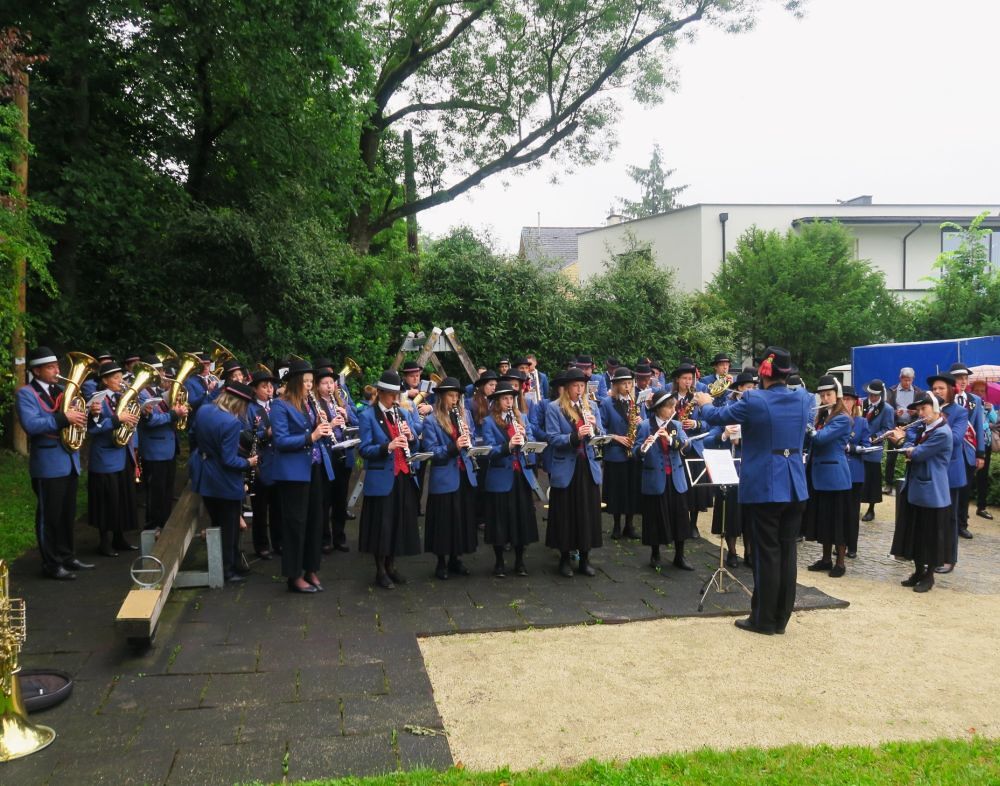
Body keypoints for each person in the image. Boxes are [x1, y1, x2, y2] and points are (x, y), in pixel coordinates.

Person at [695, 346, 812, 636]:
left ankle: (763, 619)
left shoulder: (753, 399)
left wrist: (705, 402)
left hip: (766, 485)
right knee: (787, 554)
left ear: (764, 372)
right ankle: (781, 618)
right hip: (795, 485)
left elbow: (717, 416)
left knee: (766, 554)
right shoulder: (803, 399)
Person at [15, 346, 94, 580]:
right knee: (49, 517)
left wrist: (89, 413)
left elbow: (75, 420)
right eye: (50, 367)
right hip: (48, 465)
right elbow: (32, 425)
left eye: (57, 366)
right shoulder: (26, 394)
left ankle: (67, 556)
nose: (57, 371)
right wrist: (63, 418)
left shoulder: (61, 390)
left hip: (69, 461)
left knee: (67, 514)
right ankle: (51, 564)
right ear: (36, 371)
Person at [269, 360, 334, 594]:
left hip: (313, 467)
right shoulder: (280, 405)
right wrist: (311, 436)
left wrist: (322, 426)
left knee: (316, 520)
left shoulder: (309, 403)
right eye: (305, 381)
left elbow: (313, 431)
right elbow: (281, 441)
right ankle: (294, 575)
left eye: (311, 381)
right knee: (296, 524)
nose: (309, 385)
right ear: (296, 382)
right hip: (293, 473)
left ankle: (311, 569)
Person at [358, 370, 423, 589]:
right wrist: (388, 446)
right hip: (382, 477)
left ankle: (391, 566)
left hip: (403, 475)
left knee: (397, 522)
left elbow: (414, 444)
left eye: (397, 394)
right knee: (382, 525)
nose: (395, 399)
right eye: (391, 395)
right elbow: (364, 449)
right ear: (381, 393)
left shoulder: (402, 413)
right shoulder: (367, 415)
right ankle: (380, 571)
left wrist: (410, 437)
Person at [189, 381, 259, 584]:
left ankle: (230, 563)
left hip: (204, 473)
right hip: (224, 481)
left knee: (217, 523)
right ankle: (228, 570)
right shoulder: (231, 423)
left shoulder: (204, 410)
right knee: (230, 528)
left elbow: (193, 435)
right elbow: (229, 460)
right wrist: (248, 462)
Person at [888, 392, 954, 592]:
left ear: (936, 409)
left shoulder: (942, 433)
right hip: (916, 488)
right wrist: (905, 442)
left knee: (931, 536)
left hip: (932, 492)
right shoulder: (923, 428)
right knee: (916, 533)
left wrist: (901, 442)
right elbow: (912, 447)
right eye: (918, 410)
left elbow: (918, 453)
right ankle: (918, 571)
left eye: (924, 408)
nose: (920, 413)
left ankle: (929, 576)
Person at [544, 367, 604, 577]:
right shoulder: (554, 408)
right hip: (567, 466)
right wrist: (575, 436)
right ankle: (564, 558)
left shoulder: (592, 407)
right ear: (567, 388)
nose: (579, 390)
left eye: (582, 386)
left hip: (587, 466)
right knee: (565, 513)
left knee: (587, 512)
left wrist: (596, 428)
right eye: (575, 386)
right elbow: (552, 438)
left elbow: (602, 435)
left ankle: (585, 558)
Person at [420, 377, 478, 580]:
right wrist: (454, 447)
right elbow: (431, 451)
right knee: (444, 520)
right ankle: (441, 562)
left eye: (457, 396)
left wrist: (469, 441)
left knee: (461, 518)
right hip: (444, 476)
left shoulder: (465, 415)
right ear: (442, 397)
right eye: (451, 396)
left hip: (464, 473)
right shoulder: (431, 420)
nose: (455, 400)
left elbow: (473, 437)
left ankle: (456, 558)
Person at [635, 390, 699, 570]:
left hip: (676, 478)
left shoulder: (676, 425)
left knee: (680, 517)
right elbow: (635, 452)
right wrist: (643, 448)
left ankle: (680, 555)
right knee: (655, 517)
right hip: (655, 478)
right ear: (658, 408)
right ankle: (655, 554)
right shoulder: (645, 426)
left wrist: (671, 440)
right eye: (669, 407)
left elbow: (687, 445)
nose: (673, 410)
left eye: (673, 406)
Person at [480, 383, 540, 576]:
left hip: (520, 475)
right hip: (500, 477)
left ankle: (520, 561)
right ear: (497, 401)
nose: (509, 402)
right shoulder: (488, 422)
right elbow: (488, 451)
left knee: (521, 518)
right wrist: (508, 446)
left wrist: (525, 440)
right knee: (500, 520)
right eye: (505, 398)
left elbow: (532, 440)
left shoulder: (521, 418)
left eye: (511, 398)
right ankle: (499, 562)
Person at [87, 361, 140, 557]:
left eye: (121, 377)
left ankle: (119, 538)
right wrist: (119, 419)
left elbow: (130, 421)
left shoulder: (120, 397)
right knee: (107, 501)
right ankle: (104, 542)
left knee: (122, 499)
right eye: (116, 378)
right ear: (105, 380)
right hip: (105, 458)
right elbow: (94, 428)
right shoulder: (97, 400)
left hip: (122, 454)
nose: (121, 381)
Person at [803, 376, 853, 578]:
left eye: (828, 395)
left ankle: (840, 562)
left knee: (838, 521)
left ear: (837, 395)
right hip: (819, 474)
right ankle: (825, 559)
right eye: (822, 396)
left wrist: (807, 424)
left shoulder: (842, 418)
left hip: (835, 477)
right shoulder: (823, 416)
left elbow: (821, 439)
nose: (824, 399)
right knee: (824, 519)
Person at [706, 371, 756, 568]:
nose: (751, 391)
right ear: (739, 389)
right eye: (748, 387)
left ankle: (750, 552)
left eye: (753, 387)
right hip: (729, 468)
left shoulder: (757, 410)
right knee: (730, 515)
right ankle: (732, 552)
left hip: (749, 469)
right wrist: (725, 435)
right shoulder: (727, 409)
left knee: (750, 515)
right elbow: (709, 439)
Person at [137, 354, 187, 533]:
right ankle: (152, 527)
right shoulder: (141, 393)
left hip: (169, 448)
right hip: (154, 450)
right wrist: (174, 415)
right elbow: (149, 421)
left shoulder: (161, 391)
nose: (162, 374)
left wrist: (181, 410)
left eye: (162, 370)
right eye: (158, 370)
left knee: (167, 491)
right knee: (155, 492)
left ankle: (165, 525)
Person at [924, 373, 969, 575]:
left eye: (941, 388)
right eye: (934, 389)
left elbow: (957, 438)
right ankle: (931, 555)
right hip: (931, 470)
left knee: (949, 518)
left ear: (951, 390)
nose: (937, 392)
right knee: (932, 517)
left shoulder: (959, 412)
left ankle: (949, 558)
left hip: (950, 472)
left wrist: (937, 423)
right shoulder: (928, 410)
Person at [313, 367, 353, 554]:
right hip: (326, 455)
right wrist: (331, 424)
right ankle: (324, 538)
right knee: (325, 499)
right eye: (325, 383)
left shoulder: (341, 401)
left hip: (343, 453)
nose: (329, 386)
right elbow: (314, 430)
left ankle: (340, 537)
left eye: (331, 383)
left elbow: (357, 422)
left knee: (340, 499)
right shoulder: (314, 405)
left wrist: (346, 416)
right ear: (317, 386)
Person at [599, 367, 642, 540]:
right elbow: (600, 428)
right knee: (617, 491)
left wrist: (641, 421)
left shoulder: (636, 402)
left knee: (632, 489)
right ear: (615, 385)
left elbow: (646, 426)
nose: (627, 386)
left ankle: (629, 525)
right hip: (616, 453)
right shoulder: (607, 403)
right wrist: (615, 437)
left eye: (630, 383)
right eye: (624, 383)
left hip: (633, 452)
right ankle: (616, 525)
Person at [947, 362, 986, 540]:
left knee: (964, 491)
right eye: (958, 378)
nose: (963, 381)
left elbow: (978, 427)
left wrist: (980, 454)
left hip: (968, 452)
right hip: (949, 452)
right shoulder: (946, 400)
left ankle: (962, 524)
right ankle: (947, 522)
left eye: (965, 378)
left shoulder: (975, 400)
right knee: (949, 489)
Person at [246, 368, 280, 558]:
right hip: (260, 462)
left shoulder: (277, 405)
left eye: (271, 386)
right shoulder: (250, 408)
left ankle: (278, 542)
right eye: (264, 386)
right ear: (255, 389)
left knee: (278, 506)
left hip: (278, 460)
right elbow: (247, 436)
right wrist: (265, 434)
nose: (269, 389)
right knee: (260, 507)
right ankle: (261, 545)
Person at [860, 380, 895, 521]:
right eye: (870, 394)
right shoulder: (862, 403)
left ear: (880, 394)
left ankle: (871, 509)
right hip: (859, 446)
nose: (872, 397)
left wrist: (873, 437)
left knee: (872, 480)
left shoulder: (887, 409)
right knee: (857, 478)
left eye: (875, 395)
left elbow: (887, 429)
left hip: (873, 448)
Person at [841, 386, 868, 559]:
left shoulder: (861, 422)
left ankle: (852, 546)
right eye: (843, 399)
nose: (845, 402)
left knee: (852, 512)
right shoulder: (833, 419)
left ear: (854, 402)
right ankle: (839, 544)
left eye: (849, 399)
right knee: (839, 511)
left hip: (854, 472)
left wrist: (851, 447)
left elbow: (866, 447)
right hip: (837, 470)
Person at [885, 368, 922, 492]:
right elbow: (887, 409)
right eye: (905, 380)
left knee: (910, 454)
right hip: (896, 426)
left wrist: (915, 412)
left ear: (913, 379)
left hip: (912, 427)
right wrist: (895, 413)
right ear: (900, 378)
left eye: (910, 380)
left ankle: (909, 482)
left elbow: (922, 410)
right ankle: (888, 484)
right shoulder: (892, 390)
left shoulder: (918, 392)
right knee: (891, 456)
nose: (907, 383)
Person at [969, 378, 995, 520]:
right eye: (977, 390)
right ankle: (963, 508)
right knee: (968, 475)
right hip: (972, 444)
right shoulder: (970, 405)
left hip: (986, 444)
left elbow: (995, 420)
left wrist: (990, 411)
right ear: (972, 391)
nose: (979, 393)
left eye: (982, 391)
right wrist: (984, 425)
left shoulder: (987, 405)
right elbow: (971, 423)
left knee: (983, 476)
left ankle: (982, 507)